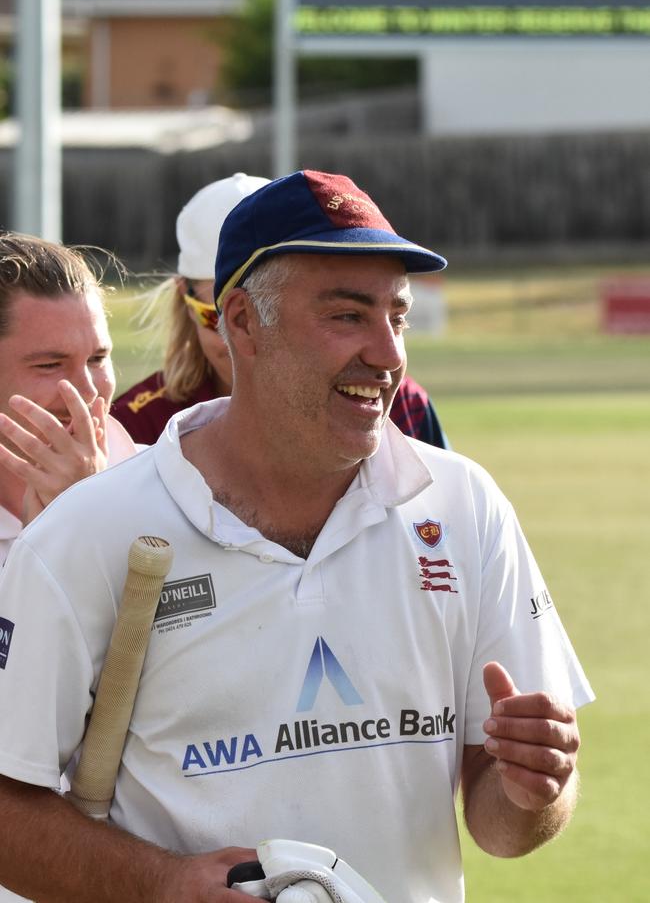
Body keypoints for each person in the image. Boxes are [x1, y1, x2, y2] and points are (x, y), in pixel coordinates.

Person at [0, 171, 594, 903]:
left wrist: (537, 788)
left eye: (397, 318)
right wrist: (162, 886)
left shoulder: (465, 506)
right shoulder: (92, 529)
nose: (387, 354)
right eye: (348, 317)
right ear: (242, 322)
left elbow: (502, 826)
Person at [111, 173, 448, 449]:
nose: (236, 340)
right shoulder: (136, 424)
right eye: (213, 316)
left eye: (397, 319)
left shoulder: (399, 405)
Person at [0, 232, 138, 567]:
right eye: (49, 365)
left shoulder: (178, 487)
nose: (89, 391)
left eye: (97, 359)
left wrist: (91, 510)